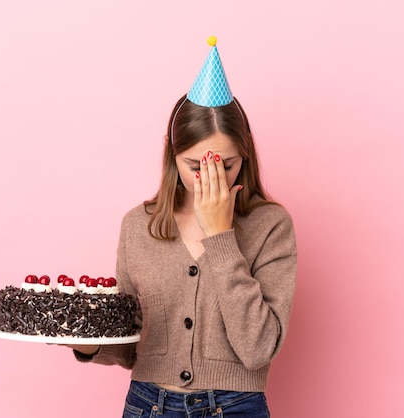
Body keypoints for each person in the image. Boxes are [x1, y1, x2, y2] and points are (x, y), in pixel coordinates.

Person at [65, 37, 297, 418]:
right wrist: (87, 345)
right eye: (195, 165)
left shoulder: (270, 225)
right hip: (147, 406)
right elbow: (129, 345)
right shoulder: (138, 226)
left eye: (225, 165)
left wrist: (221, 236)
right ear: (173, 156)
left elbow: (258, 348)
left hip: (235, 407)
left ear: (246, 155)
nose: (210, 176)